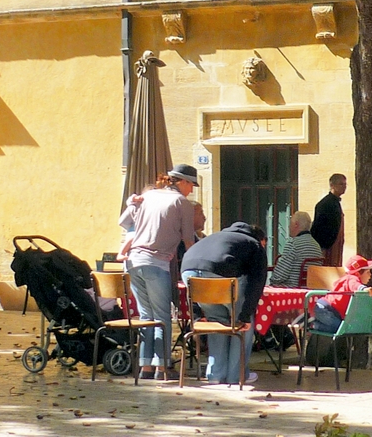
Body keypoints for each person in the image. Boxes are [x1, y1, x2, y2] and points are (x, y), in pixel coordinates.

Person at [124, 164, 198, 381]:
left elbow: (124, 222)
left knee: (147, 316)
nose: (191, 190)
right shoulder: (182, 203)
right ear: (183, 182)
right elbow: (188, 239)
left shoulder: (149, 196)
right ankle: (163, 368)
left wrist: (132, 203)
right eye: (191, 184)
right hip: (156, 263)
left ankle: (146, 367)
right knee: (162, 317)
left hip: (133, 261)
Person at [182, 222, 268, 385]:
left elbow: (191, 289)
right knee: (241, 325)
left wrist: (196, 315)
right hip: (221, 273)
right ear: (261, 239)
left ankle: (215, 374)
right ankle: (237, 375)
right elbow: (257, 282)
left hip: (188, 270)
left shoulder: (216, 237)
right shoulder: (255, 245)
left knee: (216, 322)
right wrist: (245, 315)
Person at [312, 255, 372, 332]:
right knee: (340, 329)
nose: (370, 275)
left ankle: (312, 322)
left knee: (338, 329)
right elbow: (355, 285)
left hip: (326, 309)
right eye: (368, 272)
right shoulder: (352, 278)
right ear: (357, 274)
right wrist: (364, 289)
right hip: (326, 310)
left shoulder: (347, 279)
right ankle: (313, 325)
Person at [269, 211, 324, 287]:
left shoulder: (293, 244)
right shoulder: (316, 246)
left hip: (291, 290)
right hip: (310, 290)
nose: (288, 226)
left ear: (296, 224)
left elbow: (278, 276)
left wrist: (272, 279)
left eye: (290, 223)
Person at [312, 174, 347, 266]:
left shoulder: (335, 203)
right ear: (332, 185)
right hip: (328, 248)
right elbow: (319, 228)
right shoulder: (324, 204)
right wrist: (325, 247)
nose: (344, 187)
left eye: (345, 184)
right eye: (341, 184)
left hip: (335, 246)